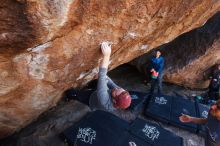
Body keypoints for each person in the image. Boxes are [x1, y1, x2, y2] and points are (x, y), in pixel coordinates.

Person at [89, 42, 132, 111]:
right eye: (123, 90)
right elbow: (111, 83)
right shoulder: (119, 93)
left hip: (91, 100)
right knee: (98, 82)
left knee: (73, 93)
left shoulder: (104, 100)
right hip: (98, 93)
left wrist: (107, 55)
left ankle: (70, 95)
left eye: (118, 91)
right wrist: (105, 78)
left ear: (114, 100)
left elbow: (102, 75)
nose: (118, 88)